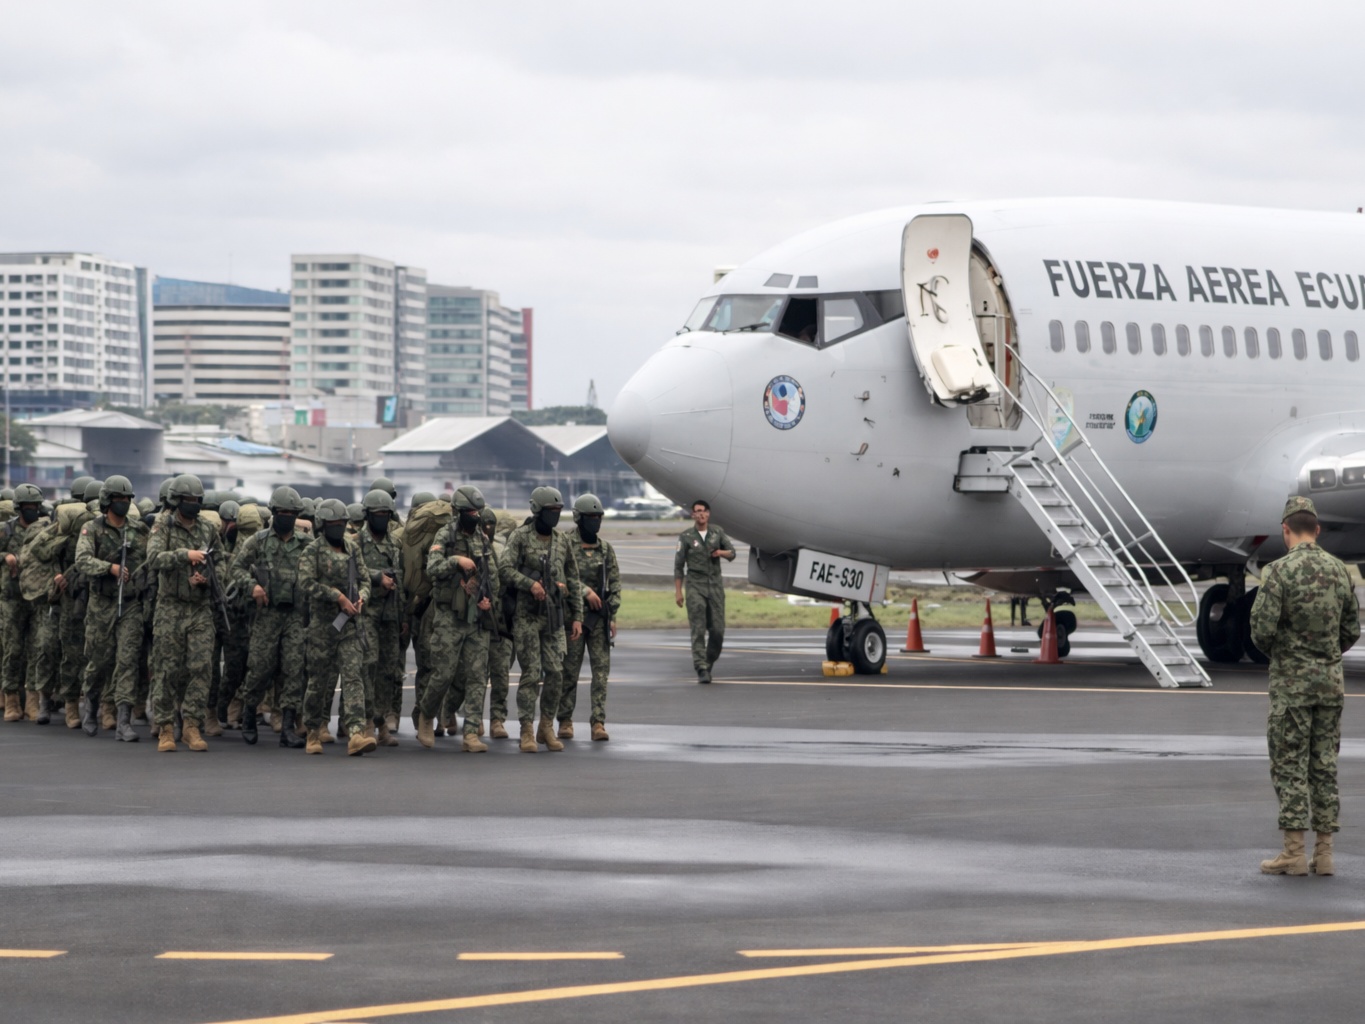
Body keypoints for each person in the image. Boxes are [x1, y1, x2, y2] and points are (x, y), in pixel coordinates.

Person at [1251, 496, 1361, 876]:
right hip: (1330, 685)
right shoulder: (1339, 571)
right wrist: (1325, 654)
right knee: (1324, 767)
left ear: (1285, 530)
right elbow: (1352, 630)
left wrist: (1287, 656)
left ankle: (1294, 853)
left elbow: (1261, 630)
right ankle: (1325, 854)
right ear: (1317, 530)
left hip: (1292, 687)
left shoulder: (1278, 572)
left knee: (1290, 766)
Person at [143, 474, 220, 752]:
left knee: (201, 667)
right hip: (170, 607)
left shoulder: (208, 528)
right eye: (188, 501)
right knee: (166, 669)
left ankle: (191, 725)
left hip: (199, 608)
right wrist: (184, 555)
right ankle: (165, 727)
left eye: (198, 501)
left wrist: (207, 578)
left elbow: (220, 561)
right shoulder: (162, 524)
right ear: (177, 501)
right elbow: (153, 558)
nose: (194, 505)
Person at [228, 486, 309, 748]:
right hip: (267, 616)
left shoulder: (306, 544)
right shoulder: (259, 541)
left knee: (293, 670)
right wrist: (252, 586)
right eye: (283, 512)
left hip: (295, 616)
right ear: (274, 513)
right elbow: (236, 568)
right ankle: (249, 714)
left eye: (292, 513)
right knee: (260, 667)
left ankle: (287, 726)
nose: (287, 517)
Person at [503, 486, 582, 752]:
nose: (555, 516)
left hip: (554, 617)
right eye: (550, 511)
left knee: (557, 673)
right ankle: (526, 728)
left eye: (558, 511)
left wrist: (576, 616)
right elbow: (505, 568)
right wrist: (529, 584)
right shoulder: (520, 537)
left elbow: (573, 577)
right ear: (537, 511)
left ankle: (546, 726)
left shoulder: (562, 541)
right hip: (526, 617)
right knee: (531, 673)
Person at [415, 485, 493, 752]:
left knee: (476, 676)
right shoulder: (445, 534)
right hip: (449, 616)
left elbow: (491, 573)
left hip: (476, 617)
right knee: (444, 674)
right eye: (471, 511)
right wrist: (456, 560)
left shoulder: (482, 538)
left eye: (478, 511)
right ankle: (426, 715)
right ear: (459, 512)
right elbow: (432, 567)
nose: (476, 515)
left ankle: (471, 733)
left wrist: (488, 598)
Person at [74, 476, 148, 742]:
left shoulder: (138, 531)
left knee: (127, 661)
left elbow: (149, 563)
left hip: (130, 605)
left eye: (127, 499)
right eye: (118, 499)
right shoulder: (91, 529)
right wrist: (109, 568)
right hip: (101, 604)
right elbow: (82, 559)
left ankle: (123, 721)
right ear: (107, 501)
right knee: (99, 661)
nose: (124, 503)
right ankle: (91, 709)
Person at [298, 498, 374, 756]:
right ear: (322, 525)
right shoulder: (313, 551)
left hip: (350, 626)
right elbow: (306, 583)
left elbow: (365, 579)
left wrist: (362, 596)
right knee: (318, 681)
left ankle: (355, 732)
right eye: (333, 524)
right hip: (322, 627)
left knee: (353, 677)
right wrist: (337, 596)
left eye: (341, 524)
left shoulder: (352, 548)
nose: (338, 528)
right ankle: (312, 731)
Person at [558, 494, 620, 741]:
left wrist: (611, 614)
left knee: (601, 674)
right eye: (590, 517)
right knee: (569, 672)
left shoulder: (605, 549)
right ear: (578, 518)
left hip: (599, 620)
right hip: (574, 618)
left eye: (598, 517)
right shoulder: (564, 544)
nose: (595, 522)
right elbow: (560, 576)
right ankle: (564, 720)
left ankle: (598, 722)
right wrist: (585, 592)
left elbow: (615, 585)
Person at [356, 489, 404, 746]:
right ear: (368, 515)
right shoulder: (356, 542)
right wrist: (377, 577)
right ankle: (366, 721)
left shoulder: (394, 544)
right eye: (377, 514)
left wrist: (403, 615)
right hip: (367, 613)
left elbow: (402, 577)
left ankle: (381, 720)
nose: (382, 518)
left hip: (390, 614)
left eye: (386, 514)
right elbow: (353, 571)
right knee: (369, 664)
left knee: (388, 670)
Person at [673, 499, 735, 683]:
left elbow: (732, 553)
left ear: (708, 514)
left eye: (704, 511)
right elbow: (678, 566)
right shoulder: (686, 537)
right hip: (695, 586)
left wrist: (720, 553)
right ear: (693, 515)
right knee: (698, 629)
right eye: (697, 511)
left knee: (717, 630)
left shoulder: (717, 533)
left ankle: (708, 662)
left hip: (715, 586)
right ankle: (700, 667)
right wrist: (678, 592)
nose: (701, 514)